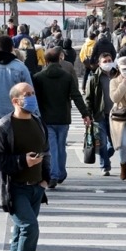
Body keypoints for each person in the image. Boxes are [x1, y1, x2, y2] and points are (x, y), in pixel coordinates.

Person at [0, 82, 50, 251]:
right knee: (29, 228)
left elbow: (46, 150)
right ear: (15, 101)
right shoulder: (4, 126)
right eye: (27, 95)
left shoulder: (38, 122)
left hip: (36, 187)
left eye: (32, 93)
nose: (31, 98)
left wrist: (45, 180)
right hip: (14, 187)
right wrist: (22, 161)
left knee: (20, 233)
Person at [32, 47, 90, 188]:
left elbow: (36, 99)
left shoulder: (38, 77)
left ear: (45, 60)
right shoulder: (67, 76)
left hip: (46, 117)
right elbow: (76, 96)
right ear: (59, 59)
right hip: (63, 116)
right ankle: (60, 172)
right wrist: (85, 114)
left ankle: (54, 174)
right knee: (60, 146)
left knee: (51, 146)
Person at [85, 52, 117, 176]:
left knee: (114, 144)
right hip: (100, 114)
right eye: (105, 61)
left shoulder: (116, 75)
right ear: (99, 64)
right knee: (102, 141)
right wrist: (88, 115)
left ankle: (106, 156)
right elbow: (88, 98)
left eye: (109, 60)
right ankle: (105, 165)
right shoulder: (94, 78)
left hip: (115, 115)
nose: (108, 63)